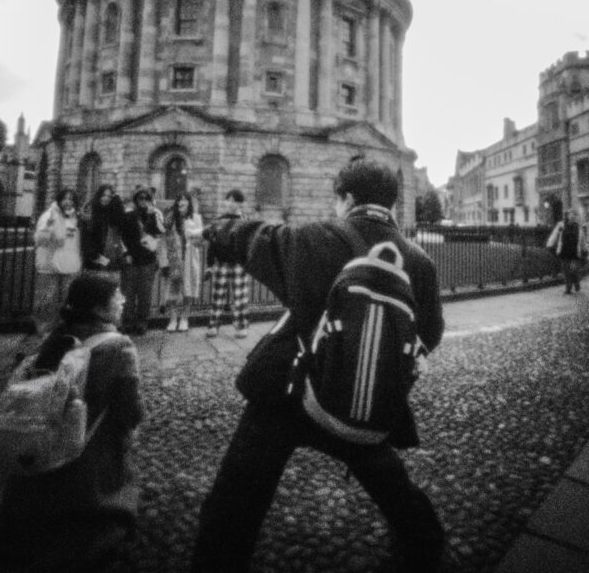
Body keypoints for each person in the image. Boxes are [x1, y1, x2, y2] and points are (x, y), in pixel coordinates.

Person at [190, 159, 446, 573]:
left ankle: (217, 562)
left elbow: (255, 238)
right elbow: (429, 334)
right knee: (387, 479)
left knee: (239, 493)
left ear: (346, 198)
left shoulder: (314, 238)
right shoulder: (419, 262)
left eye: (337, 199)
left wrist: (217, 229)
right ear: (391, 202)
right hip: (359, 391)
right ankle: (426, 546)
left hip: (287, 387)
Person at [0, 273, 145, 570]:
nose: (123, 301)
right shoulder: (119, 347)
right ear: (99, 309)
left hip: (43, 443)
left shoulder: (56, 339)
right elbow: (131, 409)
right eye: (117, 297)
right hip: (89, 451)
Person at [33, 187, 82, 335]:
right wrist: (54, 239)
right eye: (65, 198)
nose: (68, 202)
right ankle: (45, 330)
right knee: (47, 300)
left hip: (69, 265)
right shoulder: (50, 216)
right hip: (50, 265)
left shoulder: (74, 217)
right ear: (59, 200)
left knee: (66, 300)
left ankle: (61, 329)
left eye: (71, 199)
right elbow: (39, 238)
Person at [205, 188, 249, 338]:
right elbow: (212, 244)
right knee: (217, 296)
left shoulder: (245, 222)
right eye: (228, 200)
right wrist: (209, 264)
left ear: (240, 203)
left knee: (240, 296)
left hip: (239, 264)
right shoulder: (219, 221)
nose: (230, 203)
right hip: (221, 263)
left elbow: (249, 244)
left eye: (234, 201)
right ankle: (213, 325)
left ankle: (241, 326)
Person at [120, 185, 163, 335]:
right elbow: (122, 236)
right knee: (129, 294)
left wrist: (153, 216)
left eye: (146, 198)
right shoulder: (129, 215)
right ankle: (128, 321)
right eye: (140, 198)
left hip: (148, 260)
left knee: (145, 294)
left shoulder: (155, 215)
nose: (143, 201)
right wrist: (126, 254)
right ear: (136, 200)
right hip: (132, 259)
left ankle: (142, 321)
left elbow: (161, 231)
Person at [164, 191, 204, 332]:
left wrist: (192, 234)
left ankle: (184, 318)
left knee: (189, 287)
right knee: (173, 288)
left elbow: (200, 242)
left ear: (189, 202)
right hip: (174, 258)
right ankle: (173, 319)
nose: (182, 202)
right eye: (179, 199)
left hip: (189, 257)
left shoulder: (196, 218)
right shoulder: (171, 218)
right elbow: (164, 238)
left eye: (185, 199)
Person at [81, 184, 127, 276]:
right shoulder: (90, 214)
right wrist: (96, 256)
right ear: (98, 196)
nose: (106, 198)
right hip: (94, 262)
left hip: (111, 261)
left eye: (109, 196)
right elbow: (85, 240)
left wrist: (117, 199)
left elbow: (121, 229)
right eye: (103, 195)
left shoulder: (111, 215)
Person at [546, 208, 589, 294]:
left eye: (575, 215)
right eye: (571, 214)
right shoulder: (561, 225)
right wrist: (550, 244)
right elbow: (555, 235)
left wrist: (585, 250)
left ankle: (576, 282)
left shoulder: (578, 227)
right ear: (568, 215)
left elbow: (582, 241)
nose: (573, 216)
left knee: (573, 270)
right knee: (566, 272)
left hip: (574, 253)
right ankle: (568, 288)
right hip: (564, 252)